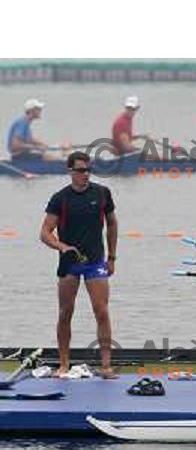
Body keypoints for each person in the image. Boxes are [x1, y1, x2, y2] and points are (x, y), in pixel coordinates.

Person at [39, 152, 119, 379]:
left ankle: (106, 366)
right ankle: (64, 364)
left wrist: (112, 258)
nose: (86, 174)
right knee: (66, 312)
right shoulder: (60, 198)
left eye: (88, 170)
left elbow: (112, 224)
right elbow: (45, 233)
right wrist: (62, 247)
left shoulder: (102, 193)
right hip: (70, 264)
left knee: (101, 311)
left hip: (95, 262)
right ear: (71, 171)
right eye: (81, 170)